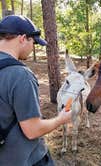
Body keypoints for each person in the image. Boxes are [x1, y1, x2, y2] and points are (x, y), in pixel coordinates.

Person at [0, 15, 72, 166]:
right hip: (25, 160)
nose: (33, 47)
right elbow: (32, 130)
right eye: (33, 42)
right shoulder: (21, 75)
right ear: (22, 38)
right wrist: (61, 119)